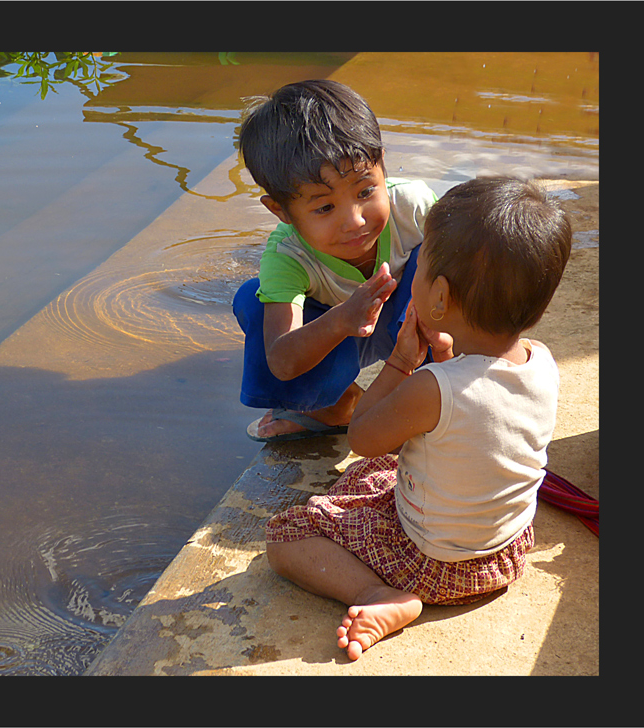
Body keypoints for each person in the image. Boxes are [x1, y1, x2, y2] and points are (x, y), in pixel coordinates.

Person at [263, 176, 573, 660]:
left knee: (286, 535)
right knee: (374, 477)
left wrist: (401, 364)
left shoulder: (431, 388)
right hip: (506, 550)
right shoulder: (543, 361)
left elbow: (364, 436)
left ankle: (379, 595)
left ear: (441, 298)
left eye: (421, 267)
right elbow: (476, 416)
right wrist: (444, 360)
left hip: (433, 563)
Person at [233, 79, 437, 442]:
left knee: (443, 257)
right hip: (336, 337)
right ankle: (335, 405)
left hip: (412, 327)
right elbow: (281, 360)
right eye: (325, 207)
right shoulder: (287, 257)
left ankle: (430, 390)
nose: (355, 220)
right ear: (281, 210)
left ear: (382, 167)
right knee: (254, 300)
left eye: (365, 191)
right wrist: (343, 318)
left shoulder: (414, 207)